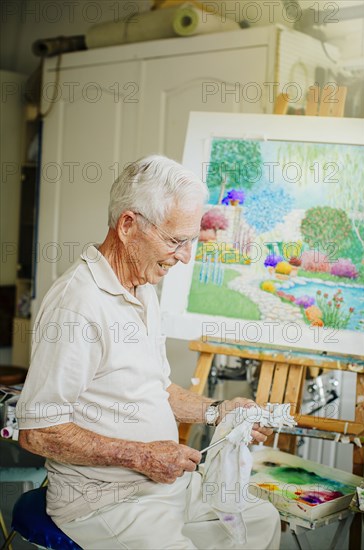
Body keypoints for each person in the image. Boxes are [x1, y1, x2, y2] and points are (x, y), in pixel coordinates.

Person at [17, 155, 281, 549]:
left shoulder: (143, 288)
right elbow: (37, 432)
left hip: (163, 485)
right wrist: (142, 456)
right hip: (104, 502)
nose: (186, 256)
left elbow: (154, 388)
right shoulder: (78, 305)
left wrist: (218, 411)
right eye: (176, 241)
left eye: (190, 241)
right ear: (128, 225)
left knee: (261, 520)